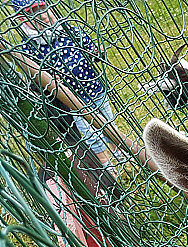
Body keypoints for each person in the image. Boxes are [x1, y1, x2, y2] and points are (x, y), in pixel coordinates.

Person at [14, 0, 119, 172]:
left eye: (45, 9)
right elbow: (34, 75)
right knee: (91, 134)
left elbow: (89, 47)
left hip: (94, 88)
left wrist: (96, 51)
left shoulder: (68, 30)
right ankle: (106, 166)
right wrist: (47, 81)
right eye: (33, 14)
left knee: (108, 123)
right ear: (23, 20)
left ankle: (118, 151)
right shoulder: (29, 47)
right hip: (72, 100)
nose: (42, 16)